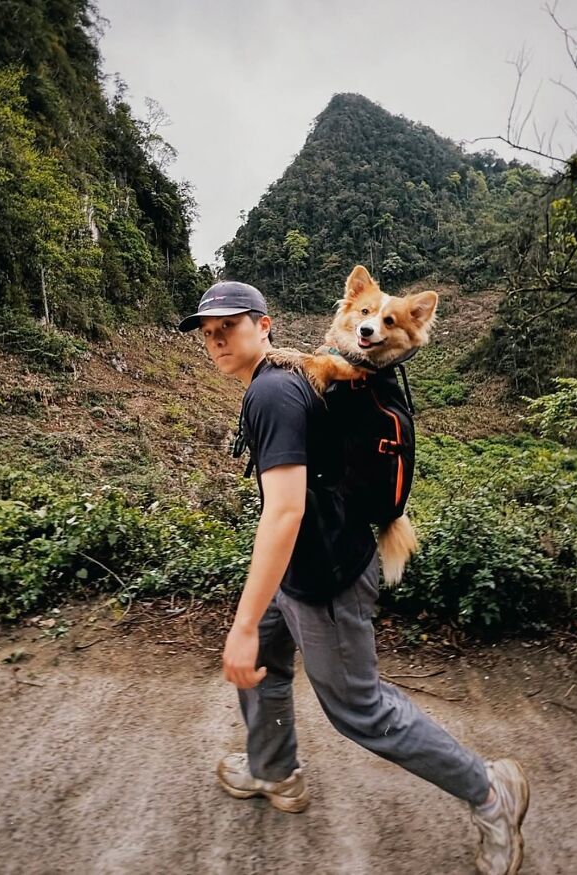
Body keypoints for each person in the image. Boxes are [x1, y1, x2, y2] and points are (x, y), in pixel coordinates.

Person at [178, 280, 530, 875]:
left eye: (228, 327)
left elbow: (284, 512)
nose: (215, 340)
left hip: (328, 576)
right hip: (301, 569)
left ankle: (491, 790)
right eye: (208, 332)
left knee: (360, 709)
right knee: (263, 661)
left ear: (264, 327)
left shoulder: (272, 395)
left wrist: (238, 623)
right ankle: (274, 771)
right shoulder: (293, 377)